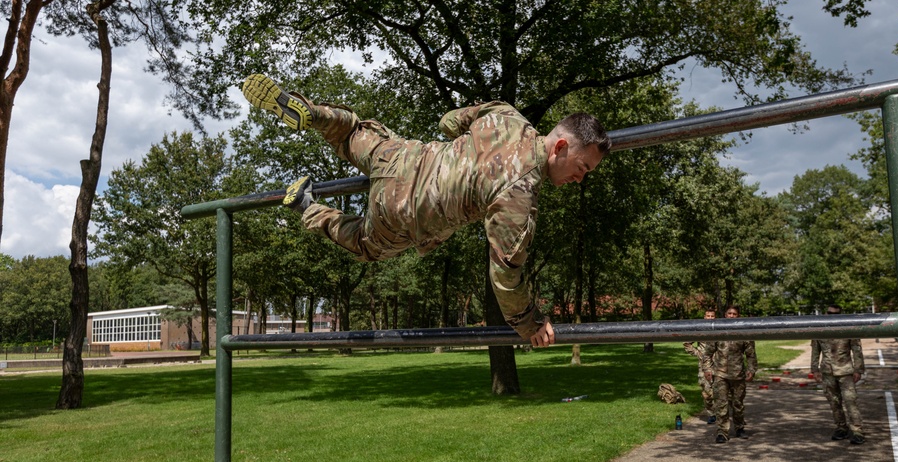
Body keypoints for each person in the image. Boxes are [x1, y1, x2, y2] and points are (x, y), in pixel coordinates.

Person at [241, 74, 611, 349]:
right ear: (560, 146)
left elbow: (449, 122)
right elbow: (505, 276)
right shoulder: (520, 196)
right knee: (366, 245)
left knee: (351, 132)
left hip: (402, 156)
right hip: (402, 210)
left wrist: (465, 154)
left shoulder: (506, 116)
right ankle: (309, 207)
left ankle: (314, 114)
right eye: (583, 168)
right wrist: (530, 324)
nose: (580, 179)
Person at [810, 304, 866, 444]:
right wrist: (814, 370)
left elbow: (857, 350)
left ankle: (857, 430)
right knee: (834, 402)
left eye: (836, 313)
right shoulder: (819, 329)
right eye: (830, 313)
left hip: (845, 371)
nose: (832, 316)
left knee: (850, 401)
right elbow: (815, 351)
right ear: (826, 313)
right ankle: (841, 427)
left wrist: (858, 369)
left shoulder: (848, 328)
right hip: (827, 371)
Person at [702, 305, 757, 443]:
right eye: (729, 313)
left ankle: (739, 428)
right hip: (720, 374)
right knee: (721, 404)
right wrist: (707, 369)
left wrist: (751, 370)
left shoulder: (744, 333)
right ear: (725, 315)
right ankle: (722, 432)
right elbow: (708, 354)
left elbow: (751, 355)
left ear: (738, 316)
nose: (732, 316)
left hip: (738, 374)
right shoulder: (718, 331)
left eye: (734, 314)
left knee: (738, 404)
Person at [682, 308, 717, 423]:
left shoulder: (718, 329)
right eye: (708, 316)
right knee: (707, 392)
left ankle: (722, 413)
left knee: (721, 390)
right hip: (703, 366)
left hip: (719, 365)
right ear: (704, 317)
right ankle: (711, 414)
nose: (710, 318)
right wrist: (698, 353)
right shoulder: (699, 330)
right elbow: (687, 343)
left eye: (712, 316)